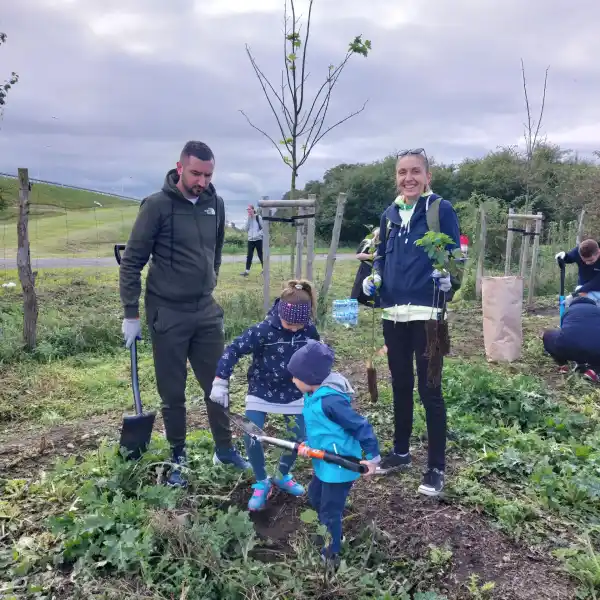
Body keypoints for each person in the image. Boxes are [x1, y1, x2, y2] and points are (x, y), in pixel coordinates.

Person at [119, 140, 250, 488]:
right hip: (167, 313)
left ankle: (224, 448)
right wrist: (131, 313)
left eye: (208, 175)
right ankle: (178, 455)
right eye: (196, 173)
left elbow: (217, 250)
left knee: (217, 385)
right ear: (180, 168)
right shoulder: (156, 206)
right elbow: (132, 261)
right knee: (172, 392)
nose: (202, 181)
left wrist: (209, 280)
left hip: (205, 312)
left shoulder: (216, 205)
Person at [361, 148, 461, 497]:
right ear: (396, 177)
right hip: (393, 315)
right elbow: (381, 256)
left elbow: (456, 258)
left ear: (427, 176)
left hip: (428, 316)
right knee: (401, 384)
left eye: (415, 171)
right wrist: (372, 277)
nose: (409, 178)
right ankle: (401, 452)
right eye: (402, 172)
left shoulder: (439, 210)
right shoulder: (389, 214)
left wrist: (452, 279)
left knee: (430, 390)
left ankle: (435, 467)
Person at [209, 280, 321, 511]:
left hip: (293, 390)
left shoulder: (308, 329)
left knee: (299, 438)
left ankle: (281, 474)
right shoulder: (263, 330)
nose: (292, 328)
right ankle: (262, 481)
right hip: (261, 388)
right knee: (252, 435)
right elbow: (234, 349)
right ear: (280, 312)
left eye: (297, 325)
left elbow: (318, 355)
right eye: (288, 323)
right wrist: (221, 379)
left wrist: (321, 382)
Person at [287, 339, 380, 565]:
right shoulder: (313, 396)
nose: (292, 380)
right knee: (315, 496)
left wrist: (373, 458)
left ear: (309, 378)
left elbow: (360, 426)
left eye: (295, 376)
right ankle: (329, 527)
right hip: (324, 462)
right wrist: (308, 444)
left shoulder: (331, 401)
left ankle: (331, 553)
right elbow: (322, 429)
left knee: (330, 509)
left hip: (339, 465)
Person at [543, 295, 600, 383]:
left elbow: (563, 329)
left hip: (567, 348)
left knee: (547, 335)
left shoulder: (568, 310)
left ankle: (563, 364)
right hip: (594, 351)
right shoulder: (598, 310)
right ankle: (594, 371)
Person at [556, 238, 600, 306]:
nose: (587, 263)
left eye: (591, 260)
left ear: (598, 252)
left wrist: (574, 295)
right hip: (582, 287)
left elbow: (596, 282)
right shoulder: (579, 251)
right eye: (584, 260)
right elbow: (570, 257)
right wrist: (564, 256)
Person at [350, 227, 381, 308]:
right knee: (358, 289)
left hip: (377, 270)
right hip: (365, 268)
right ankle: (355, 304)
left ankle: (373, 304)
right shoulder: (367, 242)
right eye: (377, 235)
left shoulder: (383, 245)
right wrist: (372, 256)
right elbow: (358, 255)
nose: (378, 237)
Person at [240, 205, 263, 277]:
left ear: (253, 210)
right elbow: (246, 229)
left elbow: (264, 228)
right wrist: (249, 219)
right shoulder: (248, 218)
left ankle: (264, 270)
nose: (248, 211)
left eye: (249, 209)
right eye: (247, 210)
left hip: (258, 239)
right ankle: (247, 271)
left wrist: (258, 234)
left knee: (260, 255)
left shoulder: (258, 217)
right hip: (250, 240)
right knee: (249, 255)